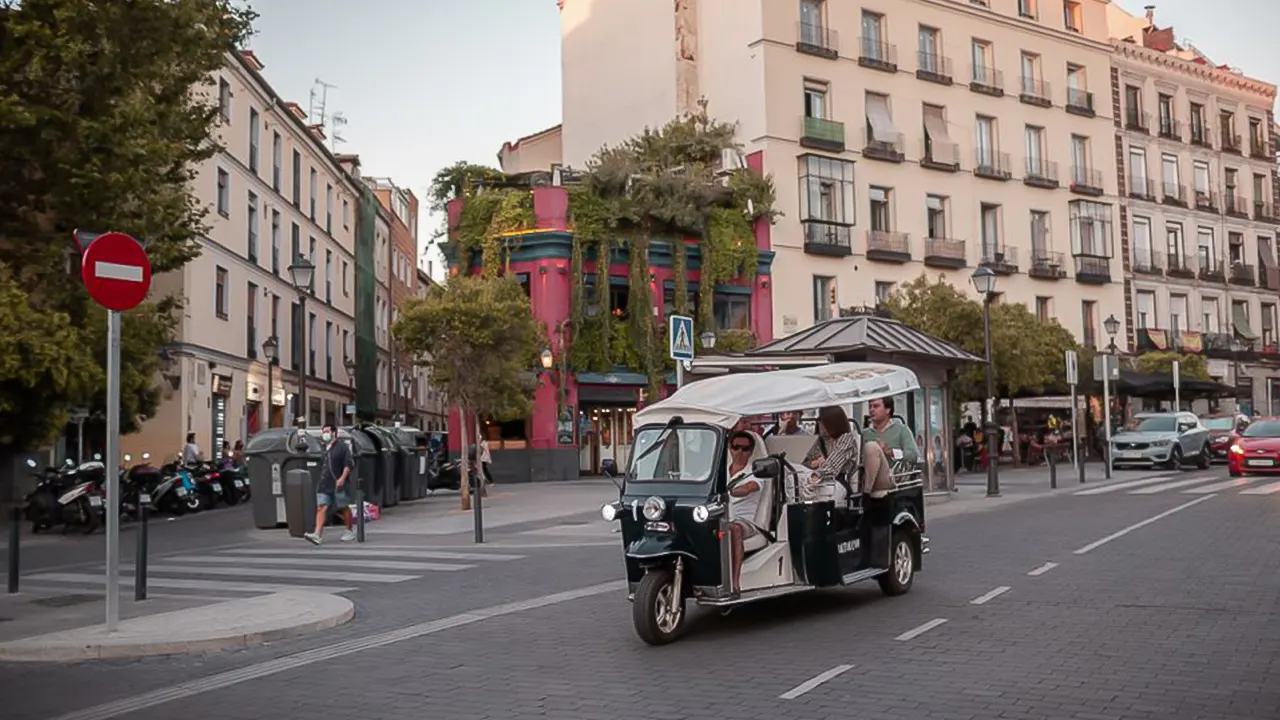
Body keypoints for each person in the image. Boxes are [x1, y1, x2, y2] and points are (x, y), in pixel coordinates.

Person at [807, 405, 895, 497]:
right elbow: (805, 461)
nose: (820, 424)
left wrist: (816, 475)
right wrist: (812, 464)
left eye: (823, 421)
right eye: (819, 420)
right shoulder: (819, 441)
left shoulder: (846, 439)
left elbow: (834, 464)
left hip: (836, 481)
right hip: (814, 481)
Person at [304, 424, 356, 545]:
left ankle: (349, 530)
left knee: (343, 506)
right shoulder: (324, 448)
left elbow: (348, 464)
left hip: (338, 483)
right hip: (324, 483)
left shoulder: (342, 447)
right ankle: (317, 534)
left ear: (334, 433)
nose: (324, 434)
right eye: (323, 432)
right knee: (321, 506)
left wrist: (342, 478)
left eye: (327, 431)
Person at [725, 430, 763, 592]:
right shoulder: (719, 472)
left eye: (745, 449)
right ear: (730, 448)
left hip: (745, 522)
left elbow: (750, 488)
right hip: (720, 516)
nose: (740, 452)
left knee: (734, 529)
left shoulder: (755, 472)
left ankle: (734, 583)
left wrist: (733, 491)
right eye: (736, 447)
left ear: (751, 452)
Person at [861, 397, 920, 466]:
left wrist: (891, 452)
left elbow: (913, 456)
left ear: (887, 410)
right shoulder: (864, 433)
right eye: (870, 406)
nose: (871, 410)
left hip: (893, 473)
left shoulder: (901, 430)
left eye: (876, 406)